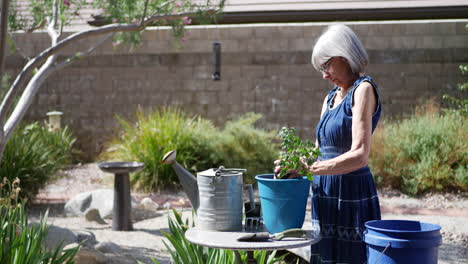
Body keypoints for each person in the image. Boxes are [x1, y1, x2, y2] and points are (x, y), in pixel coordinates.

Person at [299, 24, 382, 263]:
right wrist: (294, 164)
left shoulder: (363, 89)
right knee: (324, 257)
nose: (324, 74)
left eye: (327, 65)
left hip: (351, 191)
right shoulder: (330, 98)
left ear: (345, 56)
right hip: (325, 192)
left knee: (350, 258)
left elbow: (360, 155)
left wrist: (312, 169)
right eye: (321, 68)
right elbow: (318, 150)